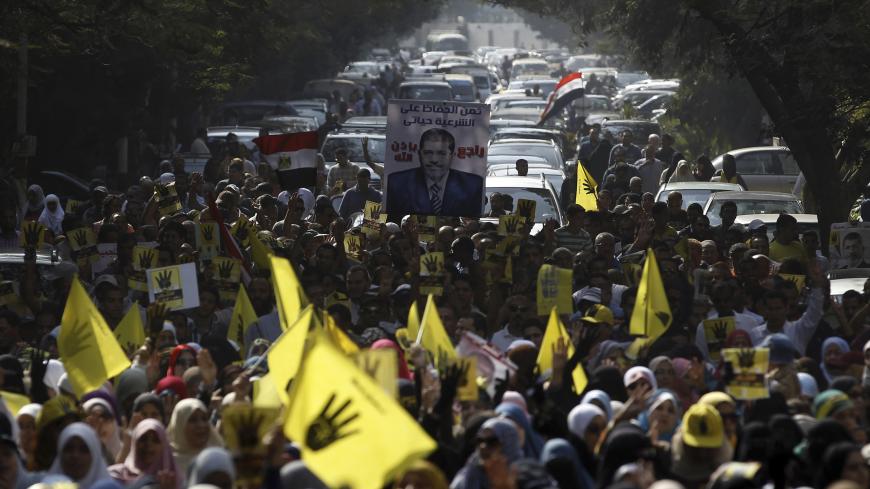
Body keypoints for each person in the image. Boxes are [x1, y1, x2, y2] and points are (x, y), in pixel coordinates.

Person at [386, 128, 483, 217]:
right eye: (428, 153)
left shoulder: (472, 185)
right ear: (420, 154)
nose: (434, 160)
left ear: (452, 156)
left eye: (441, 153)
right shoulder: (397, 183)